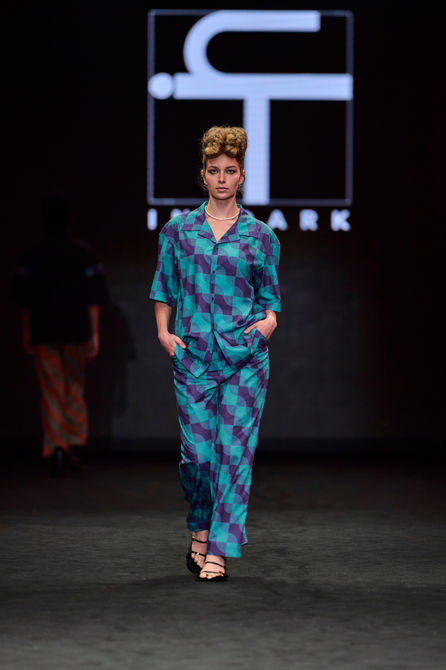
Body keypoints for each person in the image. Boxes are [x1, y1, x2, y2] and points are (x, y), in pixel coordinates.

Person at [150, 126, 281, 581]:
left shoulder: (260, 235)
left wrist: (269, 322)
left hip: (245, 358)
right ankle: (200, 528)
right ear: (202, 175)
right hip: (193, 358)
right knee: (198, 456)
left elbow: (270, 297)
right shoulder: (178, 231)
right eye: (214, 170)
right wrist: (164, 333)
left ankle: (218, 552)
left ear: (241, 175)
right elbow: (164, 287)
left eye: (230, 170)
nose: (222, 178)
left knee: (234, 453)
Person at [9, 195, 108, 474]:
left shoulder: (33, 255)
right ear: (68, 219)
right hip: (77, 332)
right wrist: (95, 334)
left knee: (52, 391)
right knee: (74, 389)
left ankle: (57, 448)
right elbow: (94, 298)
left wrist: (27, 333)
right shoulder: (83, 253)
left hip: (44, 332)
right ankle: (73, 446)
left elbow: (23, 301)